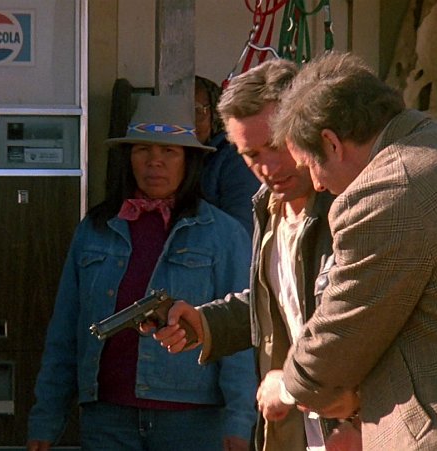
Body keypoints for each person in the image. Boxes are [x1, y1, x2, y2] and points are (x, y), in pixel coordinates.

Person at [269, 51, 437, 449]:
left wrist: (287, 387)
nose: (318, 185)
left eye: (309, 166)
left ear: (331, 142)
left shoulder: (385, 192)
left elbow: (342, 334)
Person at [27, 95, 257, 451]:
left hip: (192, 422)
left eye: (169, 151)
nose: (155, 161)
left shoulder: (223, 234)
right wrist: (46, 419)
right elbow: (65, 332)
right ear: (128, 158)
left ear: (189, 161)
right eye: (142, 149)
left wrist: (239, 422)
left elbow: (239, 335)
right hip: (108, 417)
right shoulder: (96, 228)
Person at [150, 60, 359, 451]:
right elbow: (279, 298)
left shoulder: (350, 206)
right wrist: (205, 323)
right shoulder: (269, 206)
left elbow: (362, 321)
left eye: (277, 146)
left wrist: (358, 422)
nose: (268, 167)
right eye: (251, 154)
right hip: (298, 430)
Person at [195, 75, 260, 237]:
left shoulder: (233, 158)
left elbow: (241, 232)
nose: (188, 121)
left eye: (197, 110)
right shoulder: (167, 157)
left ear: (215, 114)